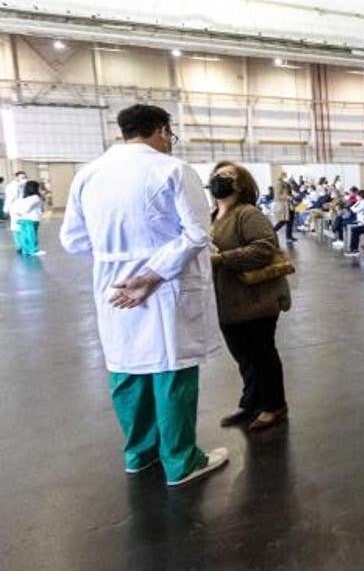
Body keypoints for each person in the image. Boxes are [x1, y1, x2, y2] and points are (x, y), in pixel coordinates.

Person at [59, 104, 228, 486]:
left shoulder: (88, 174)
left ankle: (139, 453)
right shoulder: (172, 170)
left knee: (127, 370)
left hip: (114, 287)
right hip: (165, 285)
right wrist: (151, 273)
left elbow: (73, 239)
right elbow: (198, 233)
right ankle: (181, 461)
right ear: (163, 131)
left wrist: (117, 267)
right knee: (171, 372)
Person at [206, 162, 291, 432]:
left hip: (256, 300)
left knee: (261, 354)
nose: (220, 179)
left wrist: (221, 259)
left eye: (227, 176)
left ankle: (274, 405)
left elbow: (265, 248)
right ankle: (251, 400)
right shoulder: (211, 216)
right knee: (243, 356)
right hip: (227, 300)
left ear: (240, 184)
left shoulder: (247, 213)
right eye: (217, 175)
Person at [9, 180, 46, 257]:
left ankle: (25, 250)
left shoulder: (24, 198)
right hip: (31, 219)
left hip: (23, 219)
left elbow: (17, 207)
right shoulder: (35, 197)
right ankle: (33, 250)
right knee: (31, 235)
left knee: (25, 236)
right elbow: (26, 208)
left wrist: (19, 213)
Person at [271, 172, 296, 246]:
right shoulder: (279, 184)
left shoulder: (286, 184)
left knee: (290, 222)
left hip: (290, 205)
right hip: (284, 206)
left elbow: (289, 192)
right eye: (285, 176)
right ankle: (271, 232)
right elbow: (277, 196)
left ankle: (289, 237)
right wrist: (288, 197)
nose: (286, 177)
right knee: (283, 221)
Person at [5, 170, 28, 251]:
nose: (24, 179)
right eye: (22, 177)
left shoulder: (24, 185)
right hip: (14, 208)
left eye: (25, 177)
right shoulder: (11, 186)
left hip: (23, 208)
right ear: (16, 177)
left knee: (23, 226)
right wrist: (6, 209)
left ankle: (24, 244)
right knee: (16, 227)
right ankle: (19, 245)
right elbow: (9, 198)